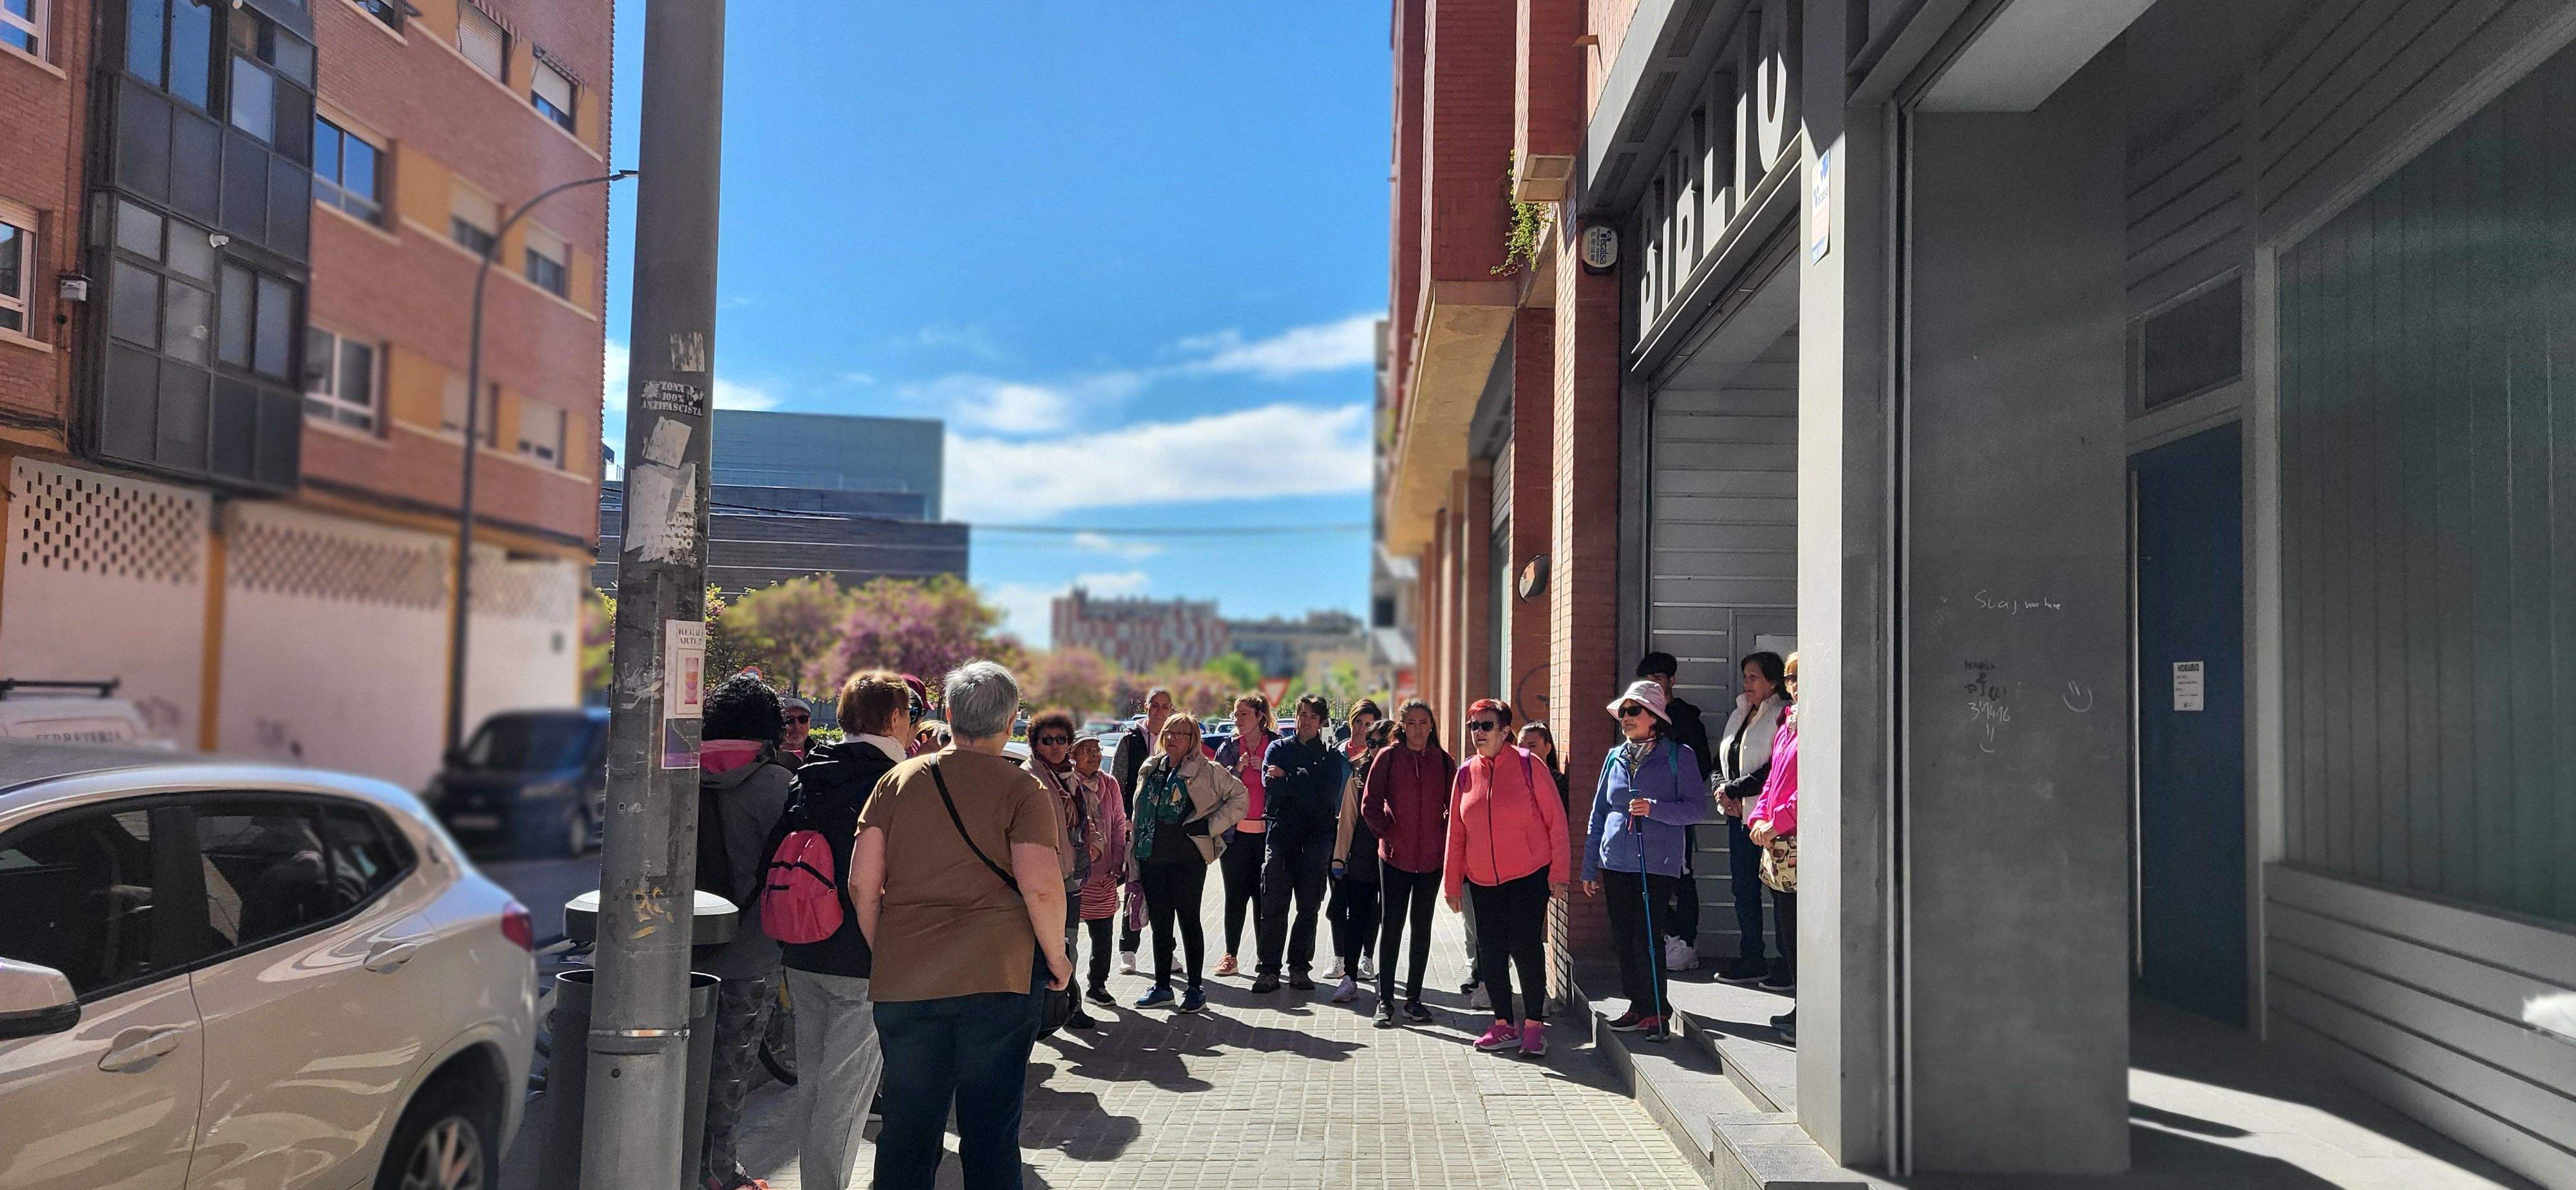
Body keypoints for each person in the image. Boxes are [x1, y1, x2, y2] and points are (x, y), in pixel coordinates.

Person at [851, 661, 1069, 1190]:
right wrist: (1059, 961)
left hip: (908, 979)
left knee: (907, 1126)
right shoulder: (1023, 790)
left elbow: (862, 883)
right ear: (1013, 720)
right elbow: (1040, 887)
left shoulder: (897, 780)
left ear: (948, 713)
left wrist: (889, 946)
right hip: (998, 975)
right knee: (991, 1130)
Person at [777, 671, 909, 1190]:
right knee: (846, 1096)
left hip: (803, 948)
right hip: (866, 957)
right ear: (895, 718)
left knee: (814, 1085)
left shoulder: (809, 772)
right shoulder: (898, 782)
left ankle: (817, 1181)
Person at [691, 675, 799, 1190]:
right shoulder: (777, 784)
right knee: (729, 1070)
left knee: (680, 1067)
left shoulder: (673, 770)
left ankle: (671, 1159)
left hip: (675, 953)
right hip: (750, 953)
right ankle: (718, 1172)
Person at [1582, 679, 1710, 1038]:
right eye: (1622, 711)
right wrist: (1590, 864)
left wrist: (1655, 810)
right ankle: (1637, 1005)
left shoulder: (1678, 755)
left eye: (1633, 710)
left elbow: (1695, 809)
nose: (1625, 717)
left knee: (1648, 935)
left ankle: (1657, 1009)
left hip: (1656, 863)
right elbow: (1600, 811)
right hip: (1615, 861)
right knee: (1623, 935)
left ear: (1654, 717)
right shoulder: (1614, 757)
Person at [1444, 698, 1571, 1058]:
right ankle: (1502, 1025)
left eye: (1486, 726)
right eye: (1473, 726)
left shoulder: (1530, 766)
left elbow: (1556, 822)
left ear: (1504, 731)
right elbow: (1457, 831)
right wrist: (1453, 885)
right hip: (1482, 881)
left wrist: (1559, 873)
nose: (1478, 733)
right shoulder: (1466, 773)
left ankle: (1533, 1027)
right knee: (1491, 953)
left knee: (1526, 948)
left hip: (1528, 876)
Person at [1128, 713, 1250, 1011]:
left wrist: (1210, 826)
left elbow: (1241, 797)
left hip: (1187, 859)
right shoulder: (1151, 767)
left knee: (1189, 922)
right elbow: (1139, 812)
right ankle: (1162, 986)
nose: (1173, 738)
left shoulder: (1207, 770)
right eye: (1169, 732)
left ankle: (1195, 989)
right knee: (1160, 924)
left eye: (1182, 734)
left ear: (1193, 740)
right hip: (1152, 856)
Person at [1361, 698, 1453, 1026]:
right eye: (1412, 723)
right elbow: (1369, 805)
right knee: (1393, 926)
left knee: (1422, 928)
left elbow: (1453, 811)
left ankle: (1414, 999)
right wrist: (1390, 834)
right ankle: (1385, 1000)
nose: (1418, 728)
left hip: (1430, 861)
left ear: (1432, 726)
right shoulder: (1388, 757)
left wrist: (1442, 841)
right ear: (1403, 726)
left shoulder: (1444, 762)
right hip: (1395, 858)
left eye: (1424, 722)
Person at [1251, 693, 1347, 994]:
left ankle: (1299, 968)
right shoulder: (1278, 748)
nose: (1305, 721)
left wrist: (1290, 778)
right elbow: (1272, 786)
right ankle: (1268, 969)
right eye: (1301, 714)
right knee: (1273, 905)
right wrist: (1304, 781)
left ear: (1321, 723)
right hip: (1281, 838)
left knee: (1309, 907)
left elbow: (1327, 795)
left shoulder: (1330, 756)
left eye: (1312, 717)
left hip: (1316, 839)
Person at [1709, 652, 1790, 987]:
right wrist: (1720, 790)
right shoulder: (1740, 712)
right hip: (1738, 817)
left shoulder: (1782, 715)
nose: (1747, 683)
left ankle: (1786, 965)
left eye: (1754, 677)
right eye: (1745, 677)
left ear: (1773, 681)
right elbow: (1720, 759)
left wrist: (1735, 788)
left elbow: (1775, 767)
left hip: (1767, 819)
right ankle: (1751, 957)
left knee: (1779, 891)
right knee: (1744, 889)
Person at [1022, 709, 1101, 1031]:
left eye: (1062, 740)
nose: (1055, 747)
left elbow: (1085, 820)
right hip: (1047, 874)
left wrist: (1097, 842)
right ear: (1035, 743)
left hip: (1074, 873)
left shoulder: (1070, 777)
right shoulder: (1031, 777)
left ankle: (1070, 1004)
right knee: (1047, 945)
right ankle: (1047, 1012)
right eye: (1047, 740)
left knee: (1070, 943)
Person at [1634, 652, 1711, 970]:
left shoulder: (1686, 719)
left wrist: (1674, 795)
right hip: (1642, 815)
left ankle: (1685, 942)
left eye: (1659, 678)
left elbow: (1702, 765)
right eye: (1647, 678)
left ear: (1672, 681)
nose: (1653, 683)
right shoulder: (1635, 716)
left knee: (1682, 878)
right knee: (1645, 879)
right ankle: (1665, 936)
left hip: (1675, 814)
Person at [1208, 694, 1278, 976]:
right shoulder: (1228, 747)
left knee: (1264, 896)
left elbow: (1285, 786)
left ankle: (1265, 958)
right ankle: (1231, 955)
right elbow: (1215, 786)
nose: (1237, 720)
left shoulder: (1275, 745)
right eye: (1236, 714)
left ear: (1260, 716)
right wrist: (1237, 769)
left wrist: (1266, 771)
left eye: (1244, 714)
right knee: (1235, 896)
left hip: (1267, 835)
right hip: (1234, 836)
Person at [1111, 686, 1177, 973]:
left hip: (1167, 829)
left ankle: (1167, 951)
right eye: (1155, 705)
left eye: (1165, 706)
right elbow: (1117, 782)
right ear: (1146, 706)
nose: (1159, 711)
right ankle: (1128, 948)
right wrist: (1123, 820)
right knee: (1135, 887)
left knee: (1166, 892)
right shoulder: (1130, 741)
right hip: (1136, 827)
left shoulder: (1176, 740)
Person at [1752, 654, 1801, 1034]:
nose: (1796, 684)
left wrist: (1778, 820)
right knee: (1787, 928)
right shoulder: (1787, 724)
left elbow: (1814, 785)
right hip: (1777, 843)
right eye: (1791, 677)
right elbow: (1772, 780)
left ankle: (1813, 1011)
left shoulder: (1825, 723)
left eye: (1803, 676)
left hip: (1802, 840)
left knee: (1805, 928)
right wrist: (1758, 818)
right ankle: (1802, 1003)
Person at [1327, 714, 1388, 1002]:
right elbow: (1347, 819)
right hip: (1363, 855)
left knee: (1387, 918)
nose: (1375, 748)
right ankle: (1349, 976)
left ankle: (1377, 968)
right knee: (1356, 916)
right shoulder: (1358, 773)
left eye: (1382, 743)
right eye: (1371, 743)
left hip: (1394, 857)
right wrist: (1339, 858)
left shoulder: (1402, 773)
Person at [1069, 735, 1131, 1006]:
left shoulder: (1109, 783)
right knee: (1067, 938)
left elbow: (1118, 823)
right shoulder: (1066, 783)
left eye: (1097, 751)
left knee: (1103, 934)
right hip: (1072, 873)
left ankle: (1098, 985)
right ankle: (1067, 993)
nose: (1094, 755)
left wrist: (1117, 860)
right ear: (1073, 754)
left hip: (1103, 872)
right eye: (1087, 751)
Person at [1519, 721, 1569, 811]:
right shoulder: (1514, 776)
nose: (1526, 751)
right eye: (1521, 747)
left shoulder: (1556, 780)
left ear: (1548, 748)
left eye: (1532, 746)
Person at [779, 696, 813, 766]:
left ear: (810, 722)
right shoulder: (768, 757)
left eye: (803, 719)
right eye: (789, 720)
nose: (797, 726)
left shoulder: (819, 756)